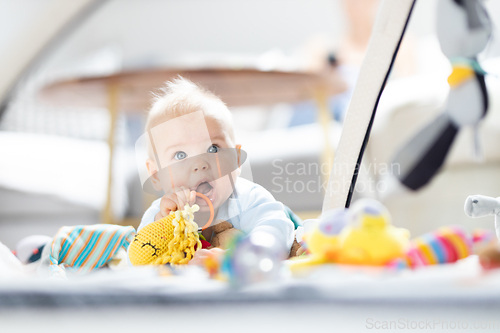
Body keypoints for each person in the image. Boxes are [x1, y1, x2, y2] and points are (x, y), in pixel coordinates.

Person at [139, 76, 295, 260]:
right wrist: (163, 226)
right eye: (180, 155)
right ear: (157, 175)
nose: (200, 164)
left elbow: (275, 230)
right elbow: (136, 258)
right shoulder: (159, 214)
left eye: (213, 149)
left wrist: (240, 256)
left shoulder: (248, 198)